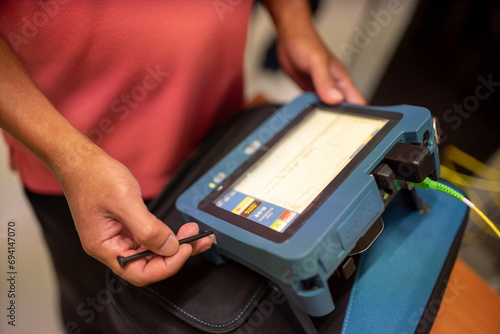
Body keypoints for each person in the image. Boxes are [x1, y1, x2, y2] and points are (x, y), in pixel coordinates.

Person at [0, 0, 365, 332]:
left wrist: (293, 22)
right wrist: (71, 159)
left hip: (223, 131)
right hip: (81, 180)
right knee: (104, 315)